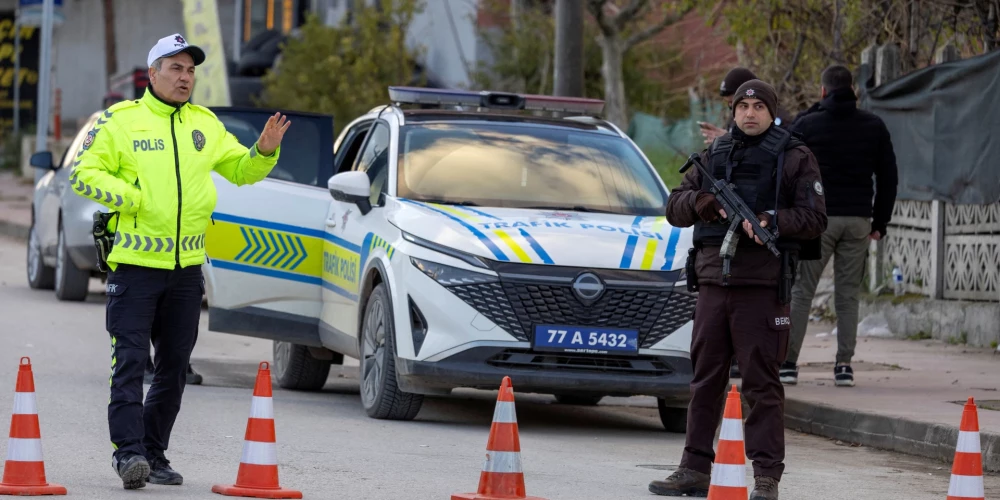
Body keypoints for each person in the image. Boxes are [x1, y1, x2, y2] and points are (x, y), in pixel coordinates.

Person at [71, 33, 291, 490]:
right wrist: (133, 199)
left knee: (174, 367)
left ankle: (154, 451)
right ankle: (128, 453)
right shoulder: (121, 121)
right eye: (175, 68)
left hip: (187, 270)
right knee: (130, 363)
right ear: (152, 74)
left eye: (190, 70)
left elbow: (241, 170)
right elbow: (83, 174)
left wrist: (265, 149)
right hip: (134, 267)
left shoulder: (205, 125)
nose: (184, 77)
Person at [650, 79, 827, 500]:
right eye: (742, 105)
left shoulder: (794, 156)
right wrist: (701, 203)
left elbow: (815, 218)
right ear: (733, 111)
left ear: (771, 111)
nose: (749, 113)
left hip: (762, 288)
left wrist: (772, 220)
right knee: (704, 381)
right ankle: (693, 469)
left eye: (758, 106)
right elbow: (674, 205)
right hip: (714, 283)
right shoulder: (716, 153)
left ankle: (766, 478)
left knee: (761, 385)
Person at [781, 65, 898, 387]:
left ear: (822, 91)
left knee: (803, 291)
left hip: (817, 220)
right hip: (858, 220)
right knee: (848, 296)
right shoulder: (873, 126)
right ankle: (844, 366)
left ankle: (789, 363)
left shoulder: (809, 124)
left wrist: (792, 215)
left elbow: (787, 166)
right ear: (853, 91)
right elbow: (889, 177)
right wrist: (880, 222)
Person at [699, 67, 795, 146]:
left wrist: (731, 139)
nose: (749, 114)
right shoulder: (734, 118)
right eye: (742, 106)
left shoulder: (779, 118)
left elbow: (779, 144)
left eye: (733, 101)